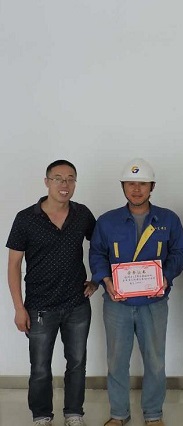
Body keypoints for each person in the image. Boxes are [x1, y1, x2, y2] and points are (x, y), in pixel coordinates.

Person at [89, 158, 183, 426]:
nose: (136, 189)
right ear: (123, 186)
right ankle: (118, 414)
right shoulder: (107, 221)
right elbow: (97, 253)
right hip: (117, 303)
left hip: (154, 302)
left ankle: (153, 414)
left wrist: (165, 277)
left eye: (142, 184)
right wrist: (106, 281)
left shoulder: (168, 219)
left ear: (152, 186)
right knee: (116, 361)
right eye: (130, 183)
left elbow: (179, 252)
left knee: (155, 362)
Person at [6, 160, 97, 426]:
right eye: (58, 178)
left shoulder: (82, 214)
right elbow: (13, 265)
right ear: (47, 182)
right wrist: (19, 307)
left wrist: (97, 280)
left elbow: (102, 245)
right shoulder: (25, 218)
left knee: (77, 363)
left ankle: (74, 413)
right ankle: (41, 415)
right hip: (39, 307)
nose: (64, 184)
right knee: (40, 367)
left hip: (77, 304)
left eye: (70, 178)